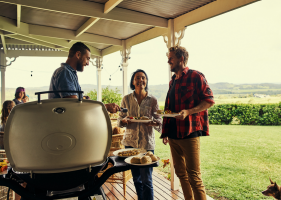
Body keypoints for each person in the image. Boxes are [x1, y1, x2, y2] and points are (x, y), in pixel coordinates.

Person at [161, 46, 215, 200]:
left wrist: (189, 111)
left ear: (181, 59)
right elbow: (169, 109)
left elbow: (209, 100)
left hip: (189, 132)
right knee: (180, 173)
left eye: (171, 58)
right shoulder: (173, 81)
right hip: (173, 135)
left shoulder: (196, 76)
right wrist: (165, 132)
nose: (168, 61)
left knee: (194, 176)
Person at [118, 69, 162, 200]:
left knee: (147, 180)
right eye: (137, 78)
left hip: (146, 144)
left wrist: (152, 123)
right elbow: (120, 120)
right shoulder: (126, 99)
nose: (140, 80)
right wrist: (124, 121)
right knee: (136, 179)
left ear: (146, 81)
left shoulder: (153, 100)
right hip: (130, 144)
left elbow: (159, 121)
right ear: (133, 81)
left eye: (143, 78)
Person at [48, 42, 120, 113]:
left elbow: (74, 101)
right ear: (78, 54)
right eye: (87, 58)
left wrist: (84, 99)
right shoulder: (65, 72)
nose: (88, 63)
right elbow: (73, 105)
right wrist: (105, 107)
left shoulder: (69, 73)